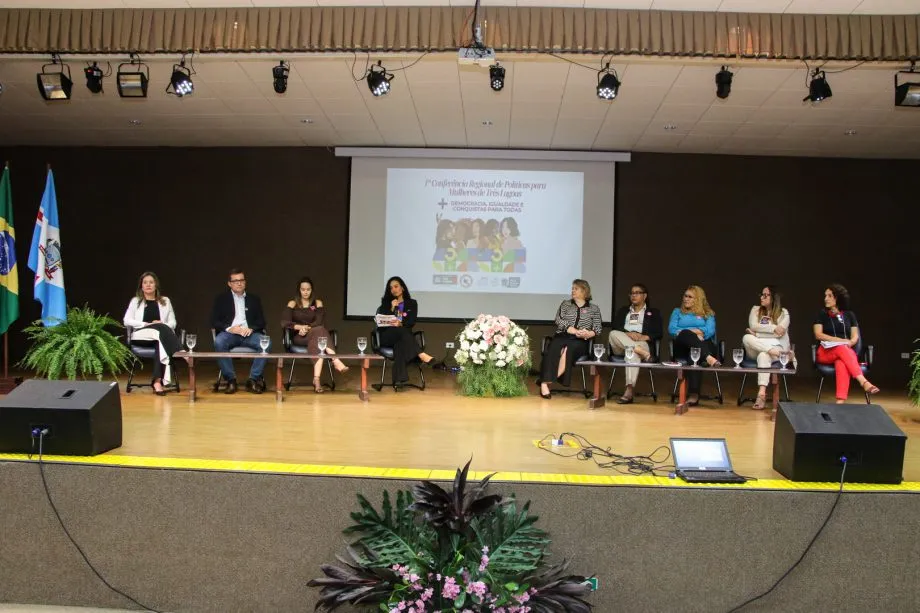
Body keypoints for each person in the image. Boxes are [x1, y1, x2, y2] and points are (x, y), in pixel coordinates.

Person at [813, 283, 879, 403]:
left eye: (829, 296)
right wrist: (842, 341)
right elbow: (818, 334)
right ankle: (863, 381)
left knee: (841, 362)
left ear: (837, 298)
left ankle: (840, 402)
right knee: (842, 349)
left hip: (844, 352)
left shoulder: (850, 315)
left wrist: (849, 342)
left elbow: (854, 337)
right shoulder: (822, 314)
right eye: (825, 295)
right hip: (825, 352)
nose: (825, 298)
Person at [281, 277, 349, 394]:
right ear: (299, 290)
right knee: (320, 333)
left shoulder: (317, 303)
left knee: (319, 334)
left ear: (312, 290)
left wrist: (306, 328)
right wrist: (299, 328)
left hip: (314, 334)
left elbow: (319, 321)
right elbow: (284, 322)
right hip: (299, 337)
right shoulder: (292, 303)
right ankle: (335, 360)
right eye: (303, 289)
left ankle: (316, 380)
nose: (306, 292)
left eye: (308, 289)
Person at [538, 279, 603, 399]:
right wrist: (570, 328)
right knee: (554, 348)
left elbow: (598, 328)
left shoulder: (594, 308)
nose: (573, 291)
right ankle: (545, 383)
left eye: (576, 288)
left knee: (567, 350)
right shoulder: (565, 304)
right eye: (572, 288)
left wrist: (588, 333)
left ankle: (545, 381)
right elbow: (558, 319)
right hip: (563, 335)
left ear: (584, 291)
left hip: (580, 340)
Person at [210, 268, 271, 394]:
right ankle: (231, 380)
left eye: (241, 280)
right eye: (235, 281)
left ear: (245, 282)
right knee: (219, 342)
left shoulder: (254, 299)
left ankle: (253, 380)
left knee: (266, 343)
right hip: (230, 333)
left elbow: (262, 322)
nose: (239, 283)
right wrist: (230, 328)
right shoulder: (221, 299)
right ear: (229, 283)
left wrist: (251, 328)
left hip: (249, 334)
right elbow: (214, 321)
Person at [122, 271, 180, 396]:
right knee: (160, 329)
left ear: (156, 285)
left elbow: (173, 323)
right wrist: (145, 324)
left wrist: (161, 324)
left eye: (151, 282)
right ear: (141, 286)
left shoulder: (165, 301)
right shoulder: (136, 301)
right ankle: (183, 353)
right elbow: (126, 321)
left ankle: (157, 382)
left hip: (159, 337)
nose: (148, 285)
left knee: (160, 336)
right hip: (141, 335)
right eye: (145, 282)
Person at [375, 276, 438, 387]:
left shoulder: (412, 303)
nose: (393, 289)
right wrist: (391, 308)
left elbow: (412, 321)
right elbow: (381, 322)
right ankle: (421, 354)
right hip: (388, 335)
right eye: (391, 288)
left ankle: (399, 380)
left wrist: (401, 323)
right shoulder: (386, 303)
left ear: (402, 288)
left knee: (400, 345)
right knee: (401, 332)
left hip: (403, 337)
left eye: (396, 286)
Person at [608, 283, 663, 404]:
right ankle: (640, 351)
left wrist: (644, 336)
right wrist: (627, 334)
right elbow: (615, 327)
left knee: (632, 352)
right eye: (632, 293)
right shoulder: (623, 311)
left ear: (645, 296)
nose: (634, 295)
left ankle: (629, 389)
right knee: (613, 334)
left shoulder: (653, 312)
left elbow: (659, 332)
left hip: (642, 342)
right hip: (622, 344)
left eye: (637, 293)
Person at [668, 285, 721, 406]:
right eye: (685, 296)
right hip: (682, 347)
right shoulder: (677, 312)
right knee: (685, 334)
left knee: (694, 351)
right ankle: (708, 357)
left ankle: (693, 394)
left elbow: (710, 330)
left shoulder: (708, 314)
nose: (686, 299)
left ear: (698, 299)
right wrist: (696, 332)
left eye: (690, 297)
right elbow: (672, 329)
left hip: (701, 346)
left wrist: (690, 331)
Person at [742, 286, 792, 410]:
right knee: (746, 338)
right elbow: (753, 326)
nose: (762, 297)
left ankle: (761, 394)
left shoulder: (784, 313)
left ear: (774, 298)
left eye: (766, 295)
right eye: (761, 294)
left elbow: (780, 332)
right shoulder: (755, 310)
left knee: (763, 355)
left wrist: (758, 333)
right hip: (763, 348)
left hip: (776, 346)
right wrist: (773, 328)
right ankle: (776, 352)